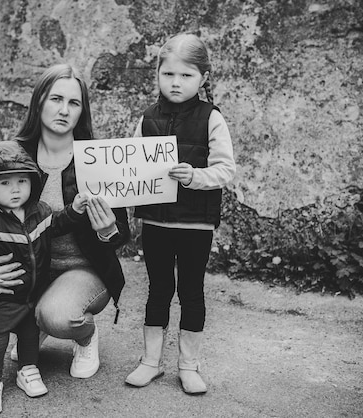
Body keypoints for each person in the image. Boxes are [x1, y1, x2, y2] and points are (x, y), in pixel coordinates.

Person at [0, 64, 130, 383]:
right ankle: (32, 326)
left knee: (56, 315)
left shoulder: (96, 157)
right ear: (39, 102)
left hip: (83, 269)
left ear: (82, 111)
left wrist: (107, 230)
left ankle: (85, 337)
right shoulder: (14, 155)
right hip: (32, 268)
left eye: (74, 103)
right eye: (56, 99)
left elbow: (120, 234)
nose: (64, 110)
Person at [124, 33, 236, 394]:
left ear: (203, 77)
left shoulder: (211, 118)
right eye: (168, 74)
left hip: (195, 223)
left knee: (191, 291)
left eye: (186, 76)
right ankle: (150, 362)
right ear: (157, 73)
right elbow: (130, 165)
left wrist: (195, 177)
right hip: (155, 221)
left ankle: (189, 365)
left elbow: (225, 169)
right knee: (158, 290)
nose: (176, 83)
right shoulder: (147, 118)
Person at [0, 140, 89, 414]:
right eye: (4, 183)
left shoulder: (39, 212)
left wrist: (75, 210)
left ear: (32, 181)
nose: (15, 189)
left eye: (21, 180)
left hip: (34, 294)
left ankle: (28, 370)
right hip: (2, 298)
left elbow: (58, 224)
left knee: (30, 338)